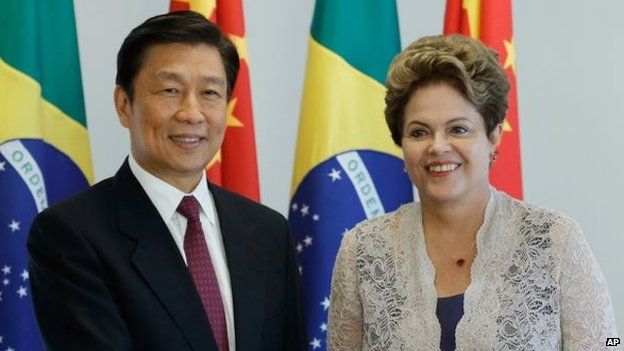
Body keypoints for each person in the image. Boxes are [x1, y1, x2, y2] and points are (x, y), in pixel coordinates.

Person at [28, 11, 306, 351]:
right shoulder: (70, 235)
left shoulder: (268, 232)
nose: (191, 113)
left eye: (210, 93)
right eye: (171, 90)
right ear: (124, 105)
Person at [327, 34, 617, 350]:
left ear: (493, 137)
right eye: (419, 132)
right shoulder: (362, 252)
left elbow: (611, 343)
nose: (437, 146)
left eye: (458, 129)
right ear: (402, 144)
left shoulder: (556, 241)